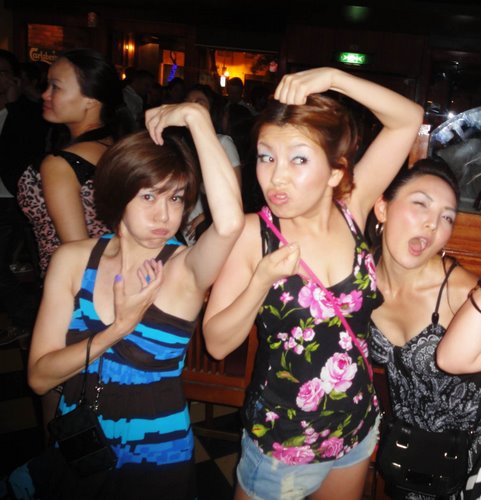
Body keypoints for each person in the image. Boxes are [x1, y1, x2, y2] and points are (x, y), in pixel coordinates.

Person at [202, 66, 423, 500]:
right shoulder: (254, 234)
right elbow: (217, 343)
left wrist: (332, 78)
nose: (276, 177)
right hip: (283, 444)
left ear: (336, 171)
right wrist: (262, 279)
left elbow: (408, 119)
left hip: (354, 429)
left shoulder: (353, 208)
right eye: (266, 157)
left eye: (298, 159)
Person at [7, 101, 244, 498]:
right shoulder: (73, 260)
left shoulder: (183, 268)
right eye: (149, 197)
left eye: (176, 198)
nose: (165, 215)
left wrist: (197, 119)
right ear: (118, 194)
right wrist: (119, 327)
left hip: (155, 457)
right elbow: (40, 376)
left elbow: (230, 223)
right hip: (78, 445)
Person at [368, 158, 481, 499]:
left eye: (447, 217)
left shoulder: (461, 293)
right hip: (407, 458)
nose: (433, 223)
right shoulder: (360, 280)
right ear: (382, 209)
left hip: (466, 467)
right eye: (420, 204)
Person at [17, 48, 134, 278]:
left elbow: (78, 254)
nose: (45, 95)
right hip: (115, 276)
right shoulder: (117, 147)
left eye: (56, 87)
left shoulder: (61, 164)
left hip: (74, 284)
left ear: (91, 99)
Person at [183, 83, 242, 243]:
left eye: (199, 103)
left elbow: (235, 195)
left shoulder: (222, 143)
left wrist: (205, 216)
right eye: (187, 102)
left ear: (212, 110)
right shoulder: (180, 144)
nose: (192, 108)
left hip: (203, 231)